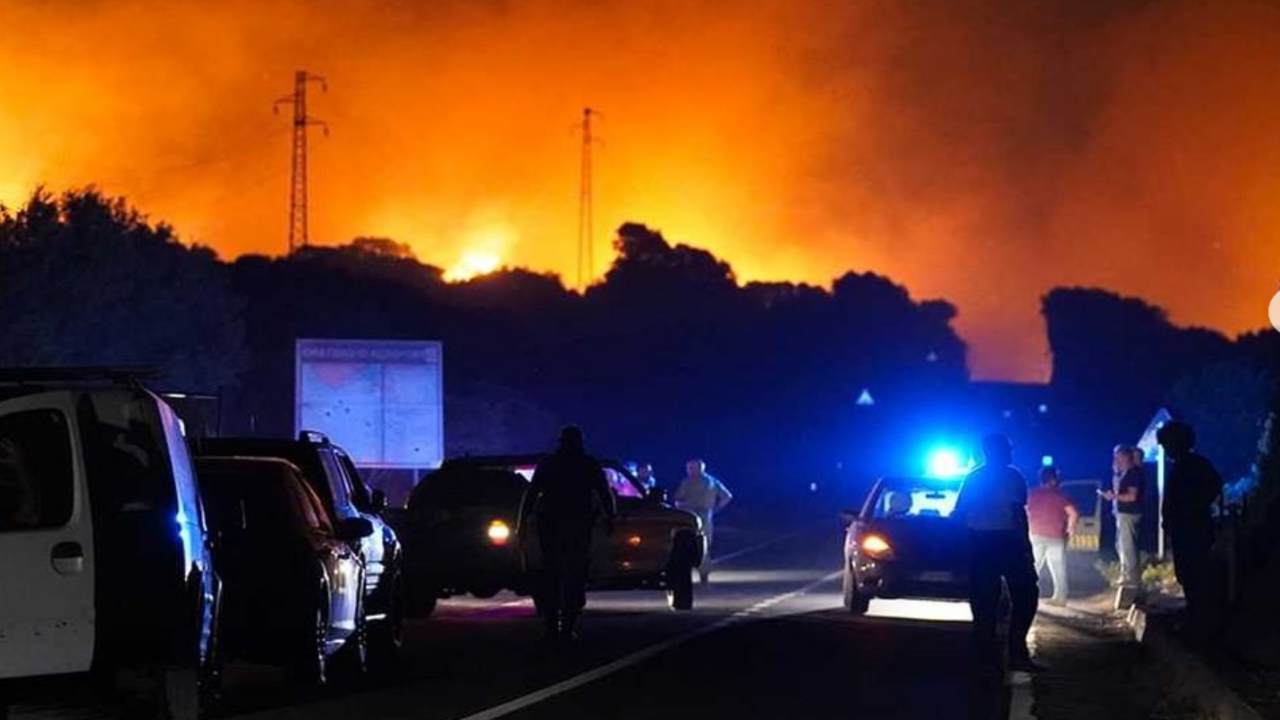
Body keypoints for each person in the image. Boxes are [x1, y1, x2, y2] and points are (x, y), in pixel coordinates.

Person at [517, 426, 617, 640]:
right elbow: (604, 493)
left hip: (552, 523)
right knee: (575, 574)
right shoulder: (588, 464)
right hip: (577, 524)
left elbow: (531, 494)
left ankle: (553, 624)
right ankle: (567, 623)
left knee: (552, 573)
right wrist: (611, 517)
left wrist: (522, 523)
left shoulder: (549, 464)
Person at [953, 433, 1040, 674]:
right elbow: (1017, 514)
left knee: (984, 603)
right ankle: (1015, 652)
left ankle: (985, 656)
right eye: (1007, 448)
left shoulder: (973, 478)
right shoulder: (1012, 477)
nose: (1010, 452)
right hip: (1007, 542)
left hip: (980, 544)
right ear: (999, 451)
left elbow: (959, 513)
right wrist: (1026, 547)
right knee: (1025, 595)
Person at [1157, 421, 1223, 641]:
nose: (1166, 450)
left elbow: (1211, 487)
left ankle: (1200, 623)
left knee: (1194, 574)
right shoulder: (1190, 465)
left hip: (1191, 528)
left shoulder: (1190, 465)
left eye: (1167, 445)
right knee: (1188, 574)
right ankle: (1197, 618)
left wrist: (1192, 508)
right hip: (1188, 527)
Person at [674, 459, 733, 584]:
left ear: (699, 468)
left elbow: (678, 499)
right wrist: (715, 509)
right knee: (703, 544)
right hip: (703, 514)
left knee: (693, 543)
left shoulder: (689, 482)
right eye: (689, 468)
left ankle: (694, 573)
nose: (689, 471)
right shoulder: (712, 481)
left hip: (691, 515)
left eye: (691, 468)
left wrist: (680, 505)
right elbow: (727, 497)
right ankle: (703, 573)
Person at [1027, 466, 1078, 606]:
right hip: (1055, 536)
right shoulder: (1060, 495)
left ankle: (1026, 595)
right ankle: (1060, 598)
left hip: (1035, 534)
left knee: (1033, 567)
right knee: (1058, 568)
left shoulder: (1032, 494)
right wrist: (1070, 529)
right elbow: (1073, 513)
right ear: (1054, 480)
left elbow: (1025, 511)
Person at [1101, 445, 1144, 587]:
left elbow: (1132, 496)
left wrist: (1114, 496)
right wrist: (1116, 474)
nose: (1115, 459)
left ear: (1125, 457)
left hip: (1129, 513)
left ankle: (1131, 577)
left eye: (1118, 456)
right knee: (1121, 545)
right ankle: (1126, 574)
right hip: (1122, 513)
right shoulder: (1124, 473)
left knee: (1127, 546)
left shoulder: (1133, 473)